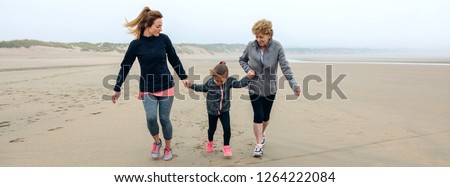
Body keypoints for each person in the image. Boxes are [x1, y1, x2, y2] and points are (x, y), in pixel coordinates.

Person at [111, 7, 190, 161]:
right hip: (147, 88)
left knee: (164, 119)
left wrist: (183, 76)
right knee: (151, 118)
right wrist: (117, 87)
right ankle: (157, 142)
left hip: (166, 85)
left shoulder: (164, 39)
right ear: (147, 25)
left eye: (161, 26)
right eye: (158, 26)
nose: (161, 29)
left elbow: (173, 58)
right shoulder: (136, 44)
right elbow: (125, 66)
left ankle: (168, 147)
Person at [239, 19, 301, 157]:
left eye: (261, 36)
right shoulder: (250, 46)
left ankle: (262, 133)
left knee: (266, 117)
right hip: (254, 86)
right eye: (256, 36)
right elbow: (242, 60)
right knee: (258, 116)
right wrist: (248, 70)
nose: (258, 39)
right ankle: (259, 144)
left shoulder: (277, 47)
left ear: (269, 35)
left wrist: (294, 84)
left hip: (270, 87)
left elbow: (285, 66)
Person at [186, 61, 253, 157]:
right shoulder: (209, 82)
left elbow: (240, 84)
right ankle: (210, 142)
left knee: (227, 128)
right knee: (212, 129)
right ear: (213, 77)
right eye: (216, 80)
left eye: (221, 81)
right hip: (212, 111)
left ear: (226, 78)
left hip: (224, 110)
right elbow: (201, 88)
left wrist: (248, 77)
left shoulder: (230, 81)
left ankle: (226, 147)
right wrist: (191, 85)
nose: (219, 83)